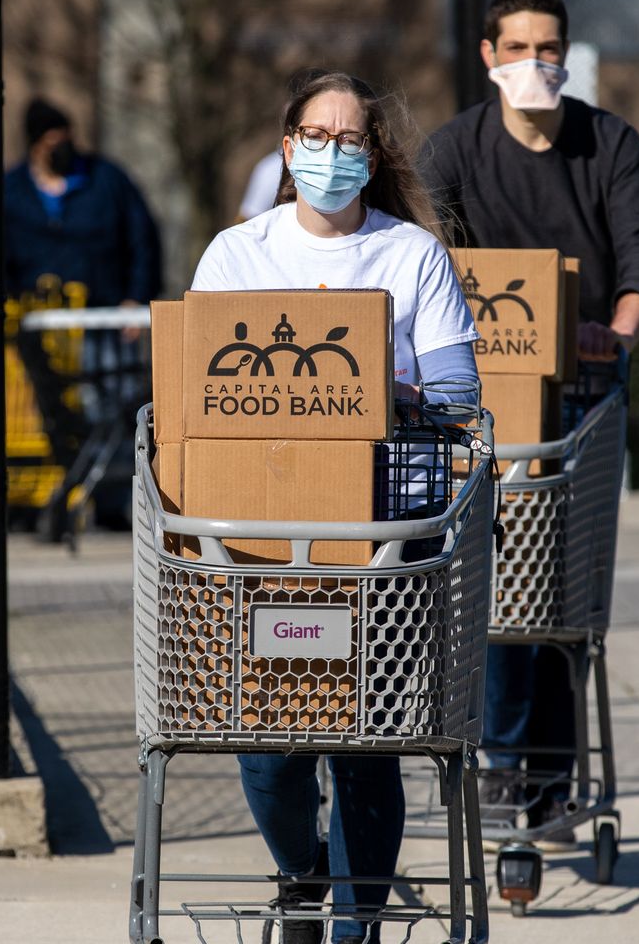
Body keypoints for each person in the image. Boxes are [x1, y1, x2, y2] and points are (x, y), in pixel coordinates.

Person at [191, 71, 480, 944]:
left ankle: (355, 927)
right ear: (287, 150)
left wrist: (369, 386)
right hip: (261, 538)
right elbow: (191, 389)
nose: (331, 154)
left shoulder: (410, 255)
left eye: (349, 140)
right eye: (315, 138)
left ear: (372, 155)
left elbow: (459, 392)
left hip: (381, 532)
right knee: (270, 747)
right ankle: (301, 872)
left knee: (365, 743)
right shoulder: (238, 254)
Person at [423, 0, 639, 848]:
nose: (536, 62)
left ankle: (548, 779)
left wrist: (619, 335)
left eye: (549, 46)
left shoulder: (609, 144)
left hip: (582, 396)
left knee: (560, 598)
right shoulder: (453, 150)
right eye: (517, 47)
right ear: (488, 56)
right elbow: (433, 258)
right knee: (499, 588)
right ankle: (508, 771)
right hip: (487, 401)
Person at [5, 98, 162, 425]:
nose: (61, 149)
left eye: (65, 140)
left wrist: (137, 297)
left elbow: (142, 237)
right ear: (35, 146)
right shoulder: (12, 190)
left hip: (102, 317)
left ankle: (113, 470)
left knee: (110, 401)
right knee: (45, 407)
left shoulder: (106, 179)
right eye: (51, 143)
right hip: (39, 322)